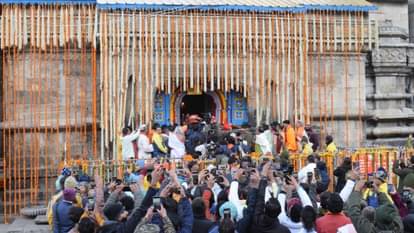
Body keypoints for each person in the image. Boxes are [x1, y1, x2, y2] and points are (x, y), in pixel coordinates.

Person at [251, 162, 290, 233]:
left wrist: (264, 177)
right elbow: (276, 197)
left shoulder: (257, 221)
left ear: (265, 208)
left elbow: (260, 198)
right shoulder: (284, 229)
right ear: (280, 212)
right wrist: (271, 179)